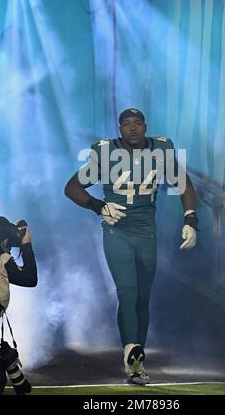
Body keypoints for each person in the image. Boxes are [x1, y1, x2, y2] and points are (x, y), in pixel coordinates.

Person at [64, 108, 198, 385]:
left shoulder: (160, 152)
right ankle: (131, 355)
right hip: (117, 230)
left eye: (137, 123)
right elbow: (72, 187)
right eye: (127, 124)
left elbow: (184, 185)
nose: (133, 128)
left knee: (142, 298)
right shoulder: (106, 154)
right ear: (120, 128)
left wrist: (191, 218)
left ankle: (137, 356)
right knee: (127, 292)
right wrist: (98, 206)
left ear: (145, 126)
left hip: (147, 233)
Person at [0, 168, 38, 395]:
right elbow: (29, 278)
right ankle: (1, 364)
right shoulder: (1, 257)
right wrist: (26, 246)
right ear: (5, 241)